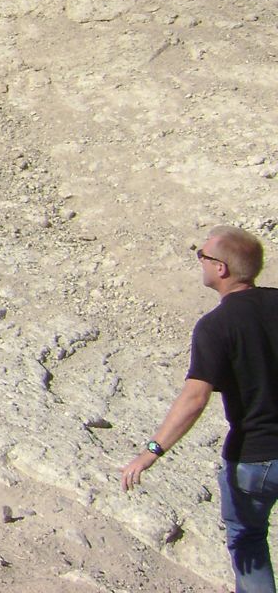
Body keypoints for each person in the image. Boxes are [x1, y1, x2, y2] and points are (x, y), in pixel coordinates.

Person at [121, 225, 278, 592]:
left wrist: (151, 451)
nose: (200, 262)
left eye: (202, 256)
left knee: (248, 540)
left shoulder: (215, 326)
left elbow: (195, 398)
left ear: (221, 268)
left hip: (255, 458)